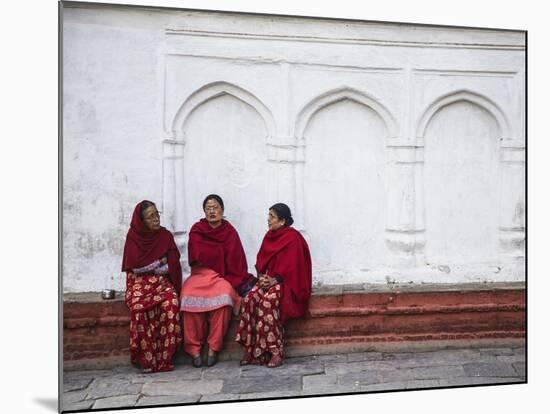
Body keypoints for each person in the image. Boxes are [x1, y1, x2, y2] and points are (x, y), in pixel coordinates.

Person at [235, 203, 312, 368]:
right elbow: (262, 261)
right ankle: (251, 349)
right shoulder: (269, 236)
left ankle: (275, 351)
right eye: (268, 216)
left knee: (267, 303)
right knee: (249, 299)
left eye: (272, 217)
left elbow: (294, 269)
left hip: (286, 283)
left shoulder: (293, 239)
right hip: (268, 279)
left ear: (282, 220)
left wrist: (274, 280)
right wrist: (262, 278)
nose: (268, 220)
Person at [179, 194, 251, 367]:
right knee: (187, 298)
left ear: (222, 210)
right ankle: (194, 349)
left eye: (215, 207)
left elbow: (235, 257)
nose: (212, 211)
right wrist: (219, 253)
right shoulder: (197, 229)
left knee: (225, 298)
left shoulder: (229, 231)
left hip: (221, 275)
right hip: (199, 274)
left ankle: (214, 347)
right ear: (204, 212)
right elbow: (197, 253)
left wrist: (214, 254)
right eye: (208, 208)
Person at [121, 200, 183, 373]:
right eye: (151, 217)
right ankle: (146, 359)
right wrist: (158, 262)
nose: (156, 219)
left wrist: (158, 266)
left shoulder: (165, 236)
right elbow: (136, 268)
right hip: (139, 284)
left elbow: (172, 265)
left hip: (161, 282)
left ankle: (165, 358)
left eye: (157, 214)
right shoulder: (133, 237)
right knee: (139, 309)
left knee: (171, 304)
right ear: (142, 221)